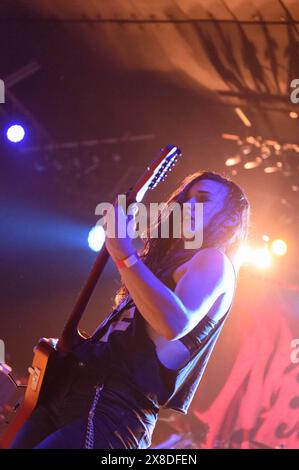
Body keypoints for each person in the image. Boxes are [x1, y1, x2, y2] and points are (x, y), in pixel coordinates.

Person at [11, 171, 250, 449]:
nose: (187, 204)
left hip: (114, 408)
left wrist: (125, 255)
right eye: (185, 197)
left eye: (203, 199)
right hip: (72, 390)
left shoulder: (214, 261)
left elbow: (174, 323)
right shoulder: (159, 267)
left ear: (231, 218)